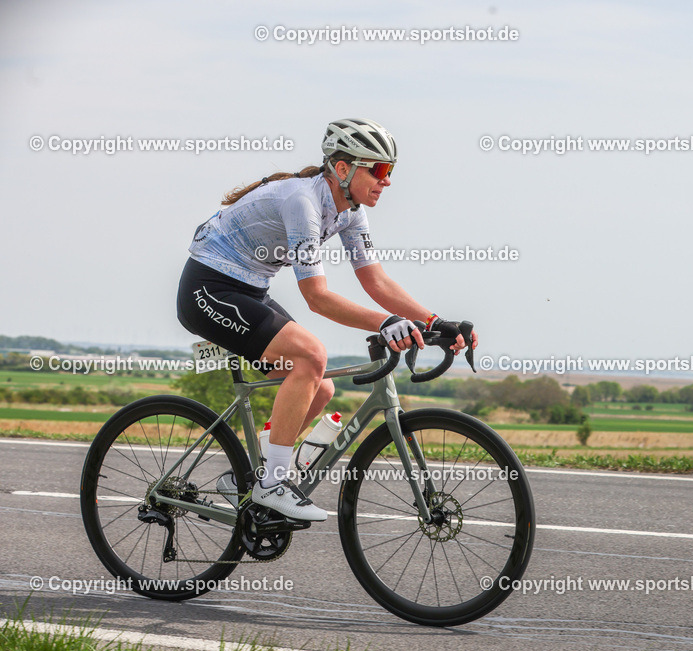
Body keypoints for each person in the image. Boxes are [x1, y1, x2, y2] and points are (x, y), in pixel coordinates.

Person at [176, 118, 477, 522]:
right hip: (208, 288)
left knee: (321, 387)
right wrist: (386, 323)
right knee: (311, 356)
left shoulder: (350, 211)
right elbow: (317, 298)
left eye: (391, 171)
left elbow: (376, 280)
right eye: (379, 169)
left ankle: (246, 478)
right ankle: (271, 485)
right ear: (342, 169)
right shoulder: (302, 202)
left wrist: (435, 322)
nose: (386, 181)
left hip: (249, 290)